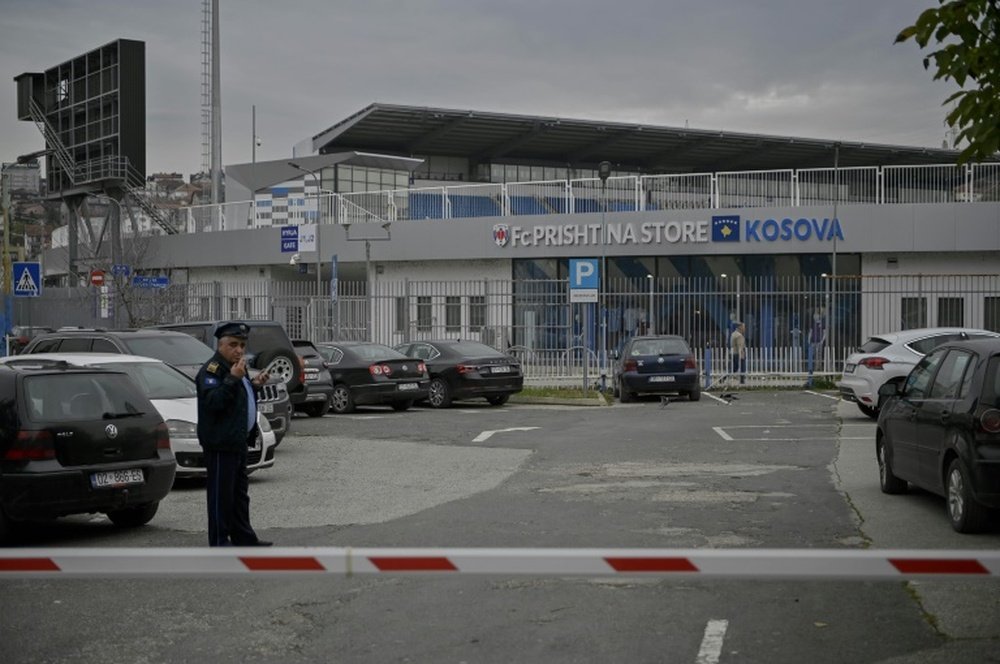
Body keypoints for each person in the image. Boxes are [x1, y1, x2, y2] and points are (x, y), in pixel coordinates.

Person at [196, 322, 273, 547]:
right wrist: (233, 379)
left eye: (242, 345)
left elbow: (238, 399)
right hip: (221, 443)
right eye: (233, 345)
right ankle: (219, 541)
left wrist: (255, 385)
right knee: (221, 496)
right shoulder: (213, 369)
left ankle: (244, 537)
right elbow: (214, 402)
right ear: (220, 345)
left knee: (239, 495)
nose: (239, 350)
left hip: (238, 440)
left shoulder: (238, 367)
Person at [730, 321, 746, 386]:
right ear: (740, 327)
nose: (745, 328)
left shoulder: (733, 334)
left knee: (734, 367)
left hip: (733, 353)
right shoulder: (739, 336)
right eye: (744, 327)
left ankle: (724, 377)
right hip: (738, 353)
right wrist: (741, 355)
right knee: (742, 368)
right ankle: (742, 381)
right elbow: (740, 346)